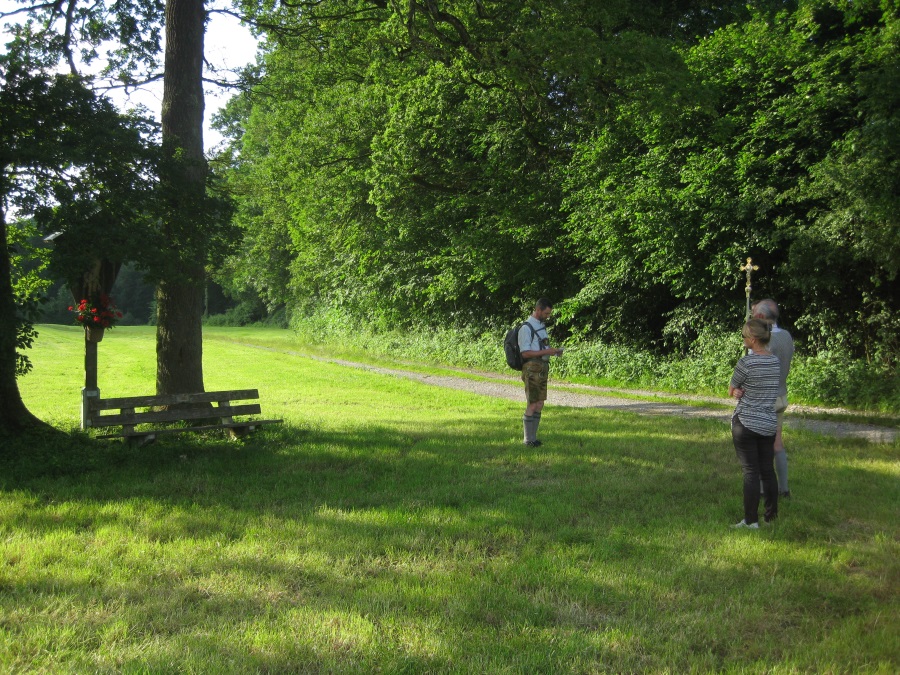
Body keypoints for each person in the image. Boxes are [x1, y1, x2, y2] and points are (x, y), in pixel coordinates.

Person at [728, 318, 780, 528]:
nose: (743, 339)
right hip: (768, 423)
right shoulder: (775, 361)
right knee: (767, 470)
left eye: (744, 336)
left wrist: (737, 391)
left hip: (746, 422)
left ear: (752, 338)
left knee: (751, 472)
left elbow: (732, 388)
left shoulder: (746, 362)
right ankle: (771, 516)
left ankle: (751, 521)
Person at [752, 299, 794, 497]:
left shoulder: (765, 341)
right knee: (777, 443)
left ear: (760, 317)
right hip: (781, 395)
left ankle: (762, 489)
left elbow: (756, 372)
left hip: (764, 399)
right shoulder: (786, 336)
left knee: (760, 445)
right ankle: (784, 488)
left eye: (754, 314)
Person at [518, 298, 564, 447]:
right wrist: (545, 351)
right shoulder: (526, 328)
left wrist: (553, 352)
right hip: (532, 368)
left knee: (540, 403)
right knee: (532, 403)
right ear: (538, 310)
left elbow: (541, 348)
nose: (548, 316)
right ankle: (527, 440)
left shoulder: (541, 326)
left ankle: (534, 438)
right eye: (546, 313)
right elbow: (524, 353)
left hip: (542, 367)